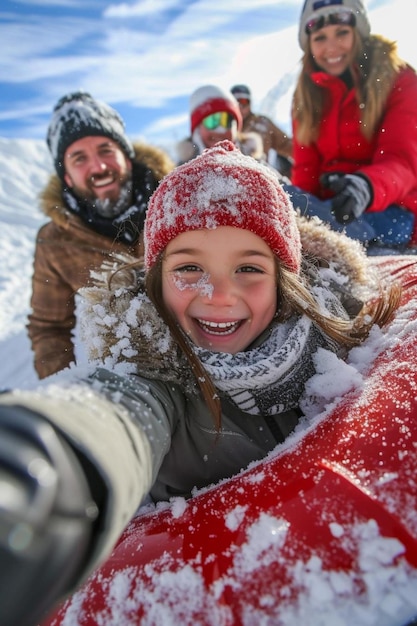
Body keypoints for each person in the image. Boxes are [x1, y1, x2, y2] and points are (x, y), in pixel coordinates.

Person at [0, 141, 400, 626]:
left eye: (248, 268)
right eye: (189, 267)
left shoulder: (332, 337)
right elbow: (114, 415)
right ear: (156, 280)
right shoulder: (155, 377)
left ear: (283, 278)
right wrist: (43, 463)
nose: (219, 294)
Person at [27, 91, 175, 379]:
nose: (99, 167)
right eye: (79, 158)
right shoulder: (55, 240)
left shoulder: (176, 198)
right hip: (132, 376)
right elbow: (49, 328)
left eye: (106, 150)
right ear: (66, 176)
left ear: (127, 156)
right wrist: (64, 390)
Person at [289, 0, 417, 254]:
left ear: (358, 32)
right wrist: (300, 208)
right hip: (330, 209)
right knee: (282, 197)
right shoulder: (306, 96)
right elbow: (306, 174)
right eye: (320, 38)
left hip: (393, 211)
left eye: (342, 33)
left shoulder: (399, 80)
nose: (331, 47)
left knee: (334, 238)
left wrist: (365, 187)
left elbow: (403, 161)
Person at [176, 84, 265, 164]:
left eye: (226, 121)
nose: (220, 129)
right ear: (198, 129)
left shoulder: (258, 166)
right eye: (212, 121)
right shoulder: (180, 177)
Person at [231, 84, 294, 176]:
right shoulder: (222, 126)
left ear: (250, 104)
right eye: (236, 103)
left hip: (260, 177)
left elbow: (286, 145)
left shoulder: (263, 124)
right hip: (229, 179)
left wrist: (311, 155)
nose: (240, 107)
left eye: (244, 102)